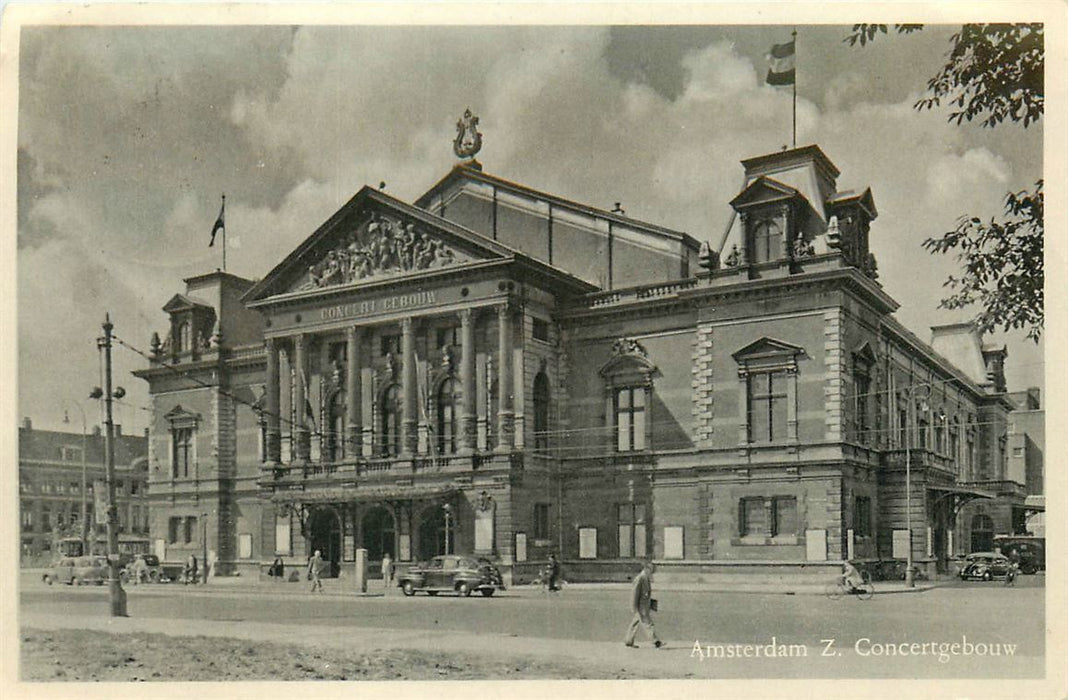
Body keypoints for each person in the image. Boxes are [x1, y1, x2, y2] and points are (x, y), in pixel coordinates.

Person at [624, 561, 662, 649]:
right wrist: (634, 606)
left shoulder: (645, 577)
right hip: (641, 607)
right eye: (651, 570)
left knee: (635, 623)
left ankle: (628, 640)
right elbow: (635, 593)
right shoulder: (640, 578)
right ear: (646, 569)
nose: (652, 572)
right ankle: (655, 641)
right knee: (647, 623)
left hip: (643, 606)